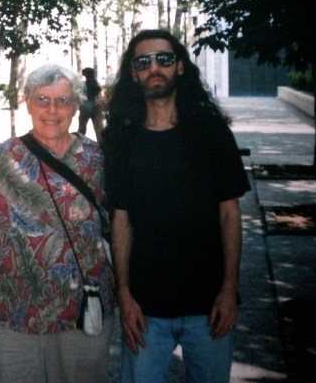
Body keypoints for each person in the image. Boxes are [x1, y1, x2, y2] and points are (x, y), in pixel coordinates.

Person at [101, 29, 250, 383]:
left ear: (180, 67)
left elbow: (229, 214)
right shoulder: (121, 139)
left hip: (209, 307)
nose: (155, 67)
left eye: (164, 59)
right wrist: (124, 296)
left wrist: (230, 290)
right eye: (144, 61)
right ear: (134, 73)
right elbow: (120, 222)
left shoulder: (211, 134)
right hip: (145, 310)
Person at [0, 64, 115, 383]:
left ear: (77, 105)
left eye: (63, 100)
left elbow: (120, 227)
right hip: (8, 315)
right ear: (27, 102)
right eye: (42, 99)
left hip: (82, 315)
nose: (52, 110)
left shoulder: (97, 160)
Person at [77, 66, 104, 142]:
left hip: (86, 106)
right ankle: (102, 145)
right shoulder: (95, 82)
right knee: (99, 128)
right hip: (96, 105)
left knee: (82, 127)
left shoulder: (85, 83)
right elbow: (99, 91)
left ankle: (79, 144)